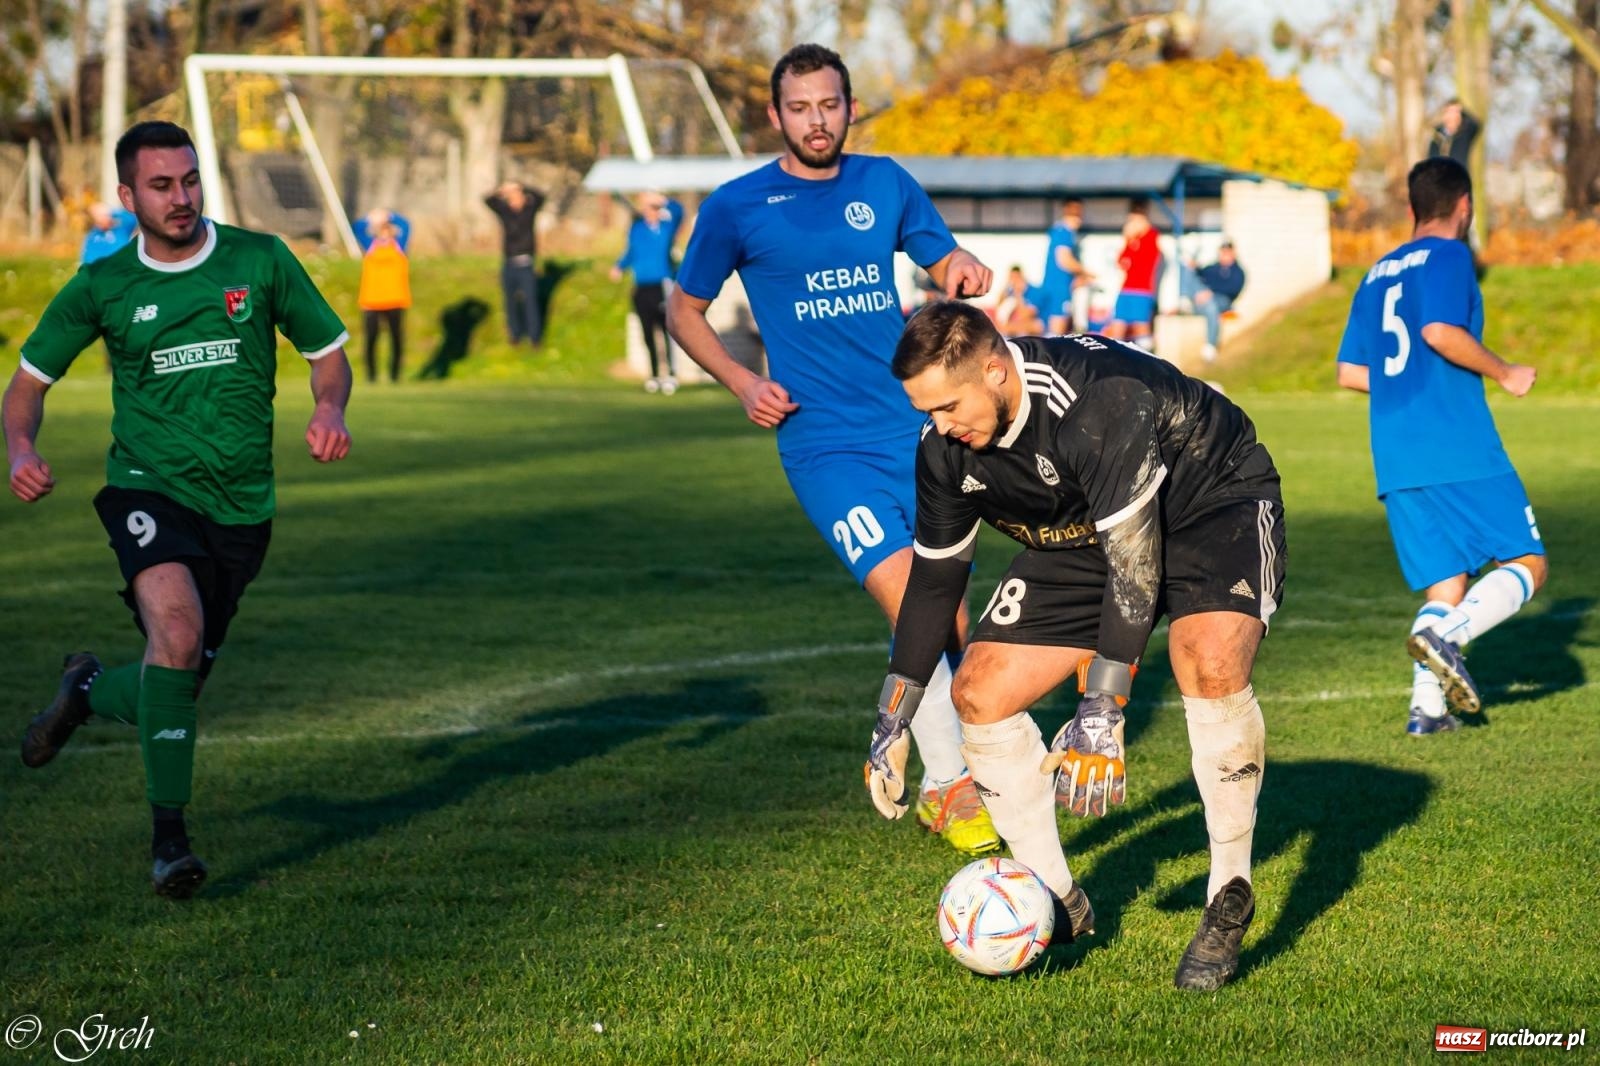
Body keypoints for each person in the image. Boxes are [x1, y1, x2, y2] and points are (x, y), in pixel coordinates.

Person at [865, 300, 1285, 990]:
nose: (938, 426)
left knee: (1207, 664)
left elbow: (1138, 568)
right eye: (926, 411)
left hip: (1213, 500)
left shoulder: (1096, 403)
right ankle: (1060, 902)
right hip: (1091, 529)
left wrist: (1103, 708)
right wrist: (893, 716)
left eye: (947, 406)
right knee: (979, 692)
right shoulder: (943, 445)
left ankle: (1226, 896)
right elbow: (937, 581)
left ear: (996, 373)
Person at [667, 43, 1001, 857]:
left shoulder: (884, 183)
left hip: (918, 429)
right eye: (800, 107)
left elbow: (940, 255)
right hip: (822, 447)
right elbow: (684, 311)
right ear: (776, 115)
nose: (817, 120)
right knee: (908, 599)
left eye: (830, 104)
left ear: (850, 107)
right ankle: (955, 783)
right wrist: (745, 384)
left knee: (950, 610)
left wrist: (961, 264)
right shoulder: (738, 206)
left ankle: (937, 779)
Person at [5, 121, 354, 899]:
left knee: (178, 679)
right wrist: (21, 451)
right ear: (127, 197)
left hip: (241, 506)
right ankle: (170, 845)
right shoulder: (103, 286)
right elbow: (27, 383)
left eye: (190, 180)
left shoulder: (258, 260)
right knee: (178, 633)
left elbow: (327, 353)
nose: (182, 198)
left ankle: (86, 690)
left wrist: (329, 409)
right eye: (161, 186)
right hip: (147, 488)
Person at [1335, 156, 1545, 736]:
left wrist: (1406, 382)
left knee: (1447, 577)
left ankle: (1427, 709)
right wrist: (1504, 371)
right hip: (1454, 443)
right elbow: (1438, 332)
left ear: (1410, 209)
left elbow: (1350, 370)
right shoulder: (1453, 255)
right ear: (1465, 206)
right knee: (1528, 559)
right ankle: (1444, 637)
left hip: (1396, 453)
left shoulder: (1377, 271)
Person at [611, 190, 686, 394]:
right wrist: (619, 266)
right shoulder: (637, 229)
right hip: (641, 285)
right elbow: (631, 252)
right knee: (647, 332)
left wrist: (661, 199)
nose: (650, 212)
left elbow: (679, 211)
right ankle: (654, 374)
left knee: (666, 330)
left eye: (654, 208)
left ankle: (670, 373)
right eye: (647, 208)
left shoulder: (666, 228)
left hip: (662, 284)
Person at [483, 180, 546, 347]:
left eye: (517, 194)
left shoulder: (530, 209)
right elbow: (488, 200)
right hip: (509, 263)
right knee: (510, 301)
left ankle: (534, 337)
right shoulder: (504, 211)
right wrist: (501, 190)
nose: (514, 199)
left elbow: (541, 196)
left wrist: (522, 186)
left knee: (530, 301)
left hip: (526, 263)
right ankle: (515, 335)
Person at [352, 208, 412, 383]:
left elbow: (406, 224)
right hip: (372, 301)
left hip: (396, 299)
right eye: (382, 230)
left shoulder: (399, 245)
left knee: (396, 339)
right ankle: (371, 376)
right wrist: (372, 217)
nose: (385, 234)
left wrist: (388, 215)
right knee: (371, 340)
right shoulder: (370, 245)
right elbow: (358, 226)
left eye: (388, 230)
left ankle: (395, 375)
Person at [1103, 202, 1161, 348]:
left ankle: (1147, 359)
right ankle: (1115, 359)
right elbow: (1121, 261)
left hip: (1142, 291)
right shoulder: (1131, 241)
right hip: (1126, 289)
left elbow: (1147, 260)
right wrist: (1128, 239)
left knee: (1141, 327)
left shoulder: (1152, 236)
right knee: (1118, 326)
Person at [1181, 239, 1246, 362]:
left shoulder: (1237, 272)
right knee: (1189, 271)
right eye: (1223, 252)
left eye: (1227, 252)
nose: (1225, 255)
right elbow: (1201, 274)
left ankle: (1210, 345)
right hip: (1203, 301)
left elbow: (1232, 289)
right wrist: (1194, 266)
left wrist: (1211, 292)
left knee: (1212, 307)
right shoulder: (1214, 268)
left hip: (1223, 301)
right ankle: (1186, 299)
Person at [1039, 199, 1090, 333]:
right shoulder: (1065, 232)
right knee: (1057, 331)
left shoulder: (1057, 230)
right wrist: (1086, 273)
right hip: (1059, 287)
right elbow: (1064, 260)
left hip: (1053, 285)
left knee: (1050, 327)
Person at [993, 265, 1046, 337]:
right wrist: (1006, 286)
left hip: (1037, 324)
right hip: (1016, 323)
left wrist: (1018, 294)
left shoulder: (1034, 292)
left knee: (1035, 325)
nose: (1014, 281)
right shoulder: (1010, 291)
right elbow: (998, 307)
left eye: (1016, 278)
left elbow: (1026, 316)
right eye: (1012, 278)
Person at [1428, 100, 1481, 166]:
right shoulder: (1437, 135)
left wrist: (1463, 112)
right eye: (1450, 112)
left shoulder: (1465, 133)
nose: (1453, 116)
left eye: (1456, 112)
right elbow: (1431, 158)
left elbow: (1476, 124)